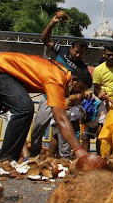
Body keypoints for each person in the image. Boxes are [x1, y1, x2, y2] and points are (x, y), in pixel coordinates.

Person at [0, 52, 91, 162]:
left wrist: (10, 100)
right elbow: (61, 119)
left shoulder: (59, 71)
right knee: (24, 109)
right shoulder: (57, 79)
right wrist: (78, 149)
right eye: (80, 88)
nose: (79, 94)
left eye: (83, 91)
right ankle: (6, 162)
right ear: (73, 80)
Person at [30, 12, 90, 157]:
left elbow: (83, 87)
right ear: (71, 48)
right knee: (38, 127)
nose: (77, 55)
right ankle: (34, 155)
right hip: (47, 95)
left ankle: (64, 158)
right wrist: (53, 23)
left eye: (81, 53)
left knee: (63, 131)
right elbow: (44, 39)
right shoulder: (61, 51)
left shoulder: (82, 68)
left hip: (62, 101)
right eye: (76, 52)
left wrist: (76, 99)